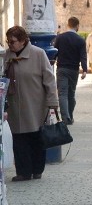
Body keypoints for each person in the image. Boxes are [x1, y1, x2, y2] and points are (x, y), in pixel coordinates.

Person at [3, 26, 59, 181]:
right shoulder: (7, 55)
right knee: (19, 139)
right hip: (15, 105)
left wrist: (52, 102)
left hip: (35, 104)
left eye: (13, 41)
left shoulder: (38, 54)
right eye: (8, 41)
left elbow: (49, 80)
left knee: (35, 137)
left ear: (22, 41)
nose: (10, 44)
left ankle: (37, 169)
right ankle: (23, 172)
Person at [53, 16, 87, 125]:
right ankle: (70, 116)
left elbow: (55, 52)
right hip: (73, 70)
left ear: (68, 24)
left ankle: (65, 118)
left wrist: (52, 62)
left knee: (62, 93)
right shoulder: (80, 40)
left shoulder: (60, 37)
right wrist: (85, 70)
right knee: (71, 94)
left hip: (62, 68)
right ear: (77, 26)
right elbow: (83, 56)